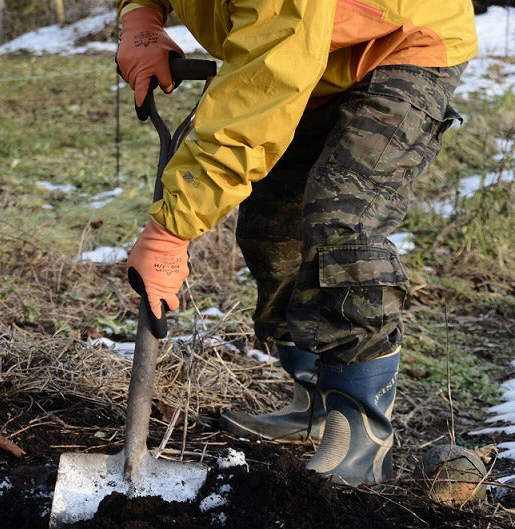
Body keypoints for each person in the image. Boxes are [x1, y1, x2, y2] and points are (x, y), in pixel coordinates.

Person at [115, 0, 478, 485]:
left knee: (342, 218)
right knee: (272, 230)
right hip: (307, 46)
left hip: (399, 39)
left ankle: (362, 437)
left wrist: (172, 228)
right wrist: (141, 15)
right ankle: (314, 405)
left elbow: (271, 74)